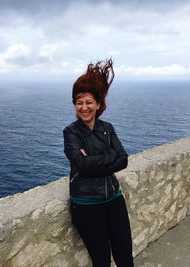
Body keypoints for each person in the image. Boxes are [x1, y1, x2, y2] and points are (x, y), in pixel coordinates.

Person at [63, 59, 134, 267]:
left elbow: (123, 159)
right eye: (79, 102)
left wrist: (91, 161)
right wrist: (105, 160)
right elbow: (82, 165)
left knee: (125, 258)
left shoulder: (107, 128)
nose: (84, 107)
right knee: (101, 261)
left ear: (99, 104)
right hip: (86, 204)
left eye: (88, 102)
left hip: (114, 199)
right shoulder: (71, 133)